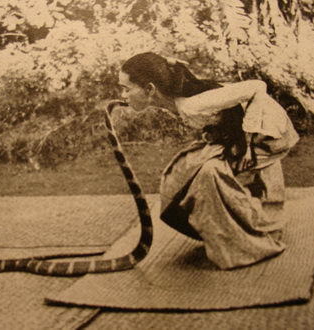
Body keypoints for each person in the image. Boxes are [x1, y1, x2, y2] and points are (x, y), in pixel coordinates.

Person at [118, 52, 299, 269]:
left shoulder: (192, 104)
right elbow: (226, 109)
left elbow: (257, 87)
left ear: (149, 89)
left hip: (267, 130)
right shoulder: (178, 97)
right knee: (187, 168)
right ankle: (234, 228)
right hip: (238, 130)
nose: (124, 95)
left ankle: (247, 239)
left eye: (127, 89)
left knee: (208, 173)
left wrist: (248, 146)